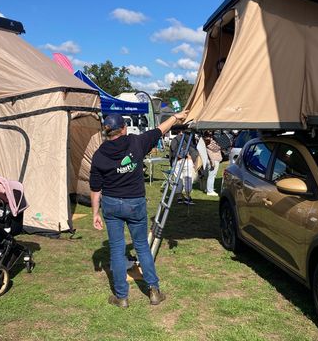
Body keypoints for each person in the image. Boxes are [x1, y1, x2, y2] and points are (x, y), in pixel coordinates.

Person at [90, 110, 188, 308]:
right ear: (124, 128)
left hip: (112, 204)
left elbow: (95, 188)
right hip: (135, 203)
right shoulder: (136, 142)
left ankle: (122, 297)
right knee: (142, 246)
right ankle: (154, 292)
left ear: (106, 132)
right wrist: (176, 117)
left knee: (117, 251)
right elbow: (160, 130)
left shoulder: (99, 154)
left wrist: (94, 213)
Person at [203, 131, 222, 197]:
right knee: (212, 175)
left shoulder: (207, 141)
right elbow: (215, 149)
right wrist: (212, 162)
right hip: (213, 160)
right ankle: (210, 191)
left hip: (212, 160)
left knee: (210, 175)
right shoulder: (209, 141)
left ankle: (208, 188)